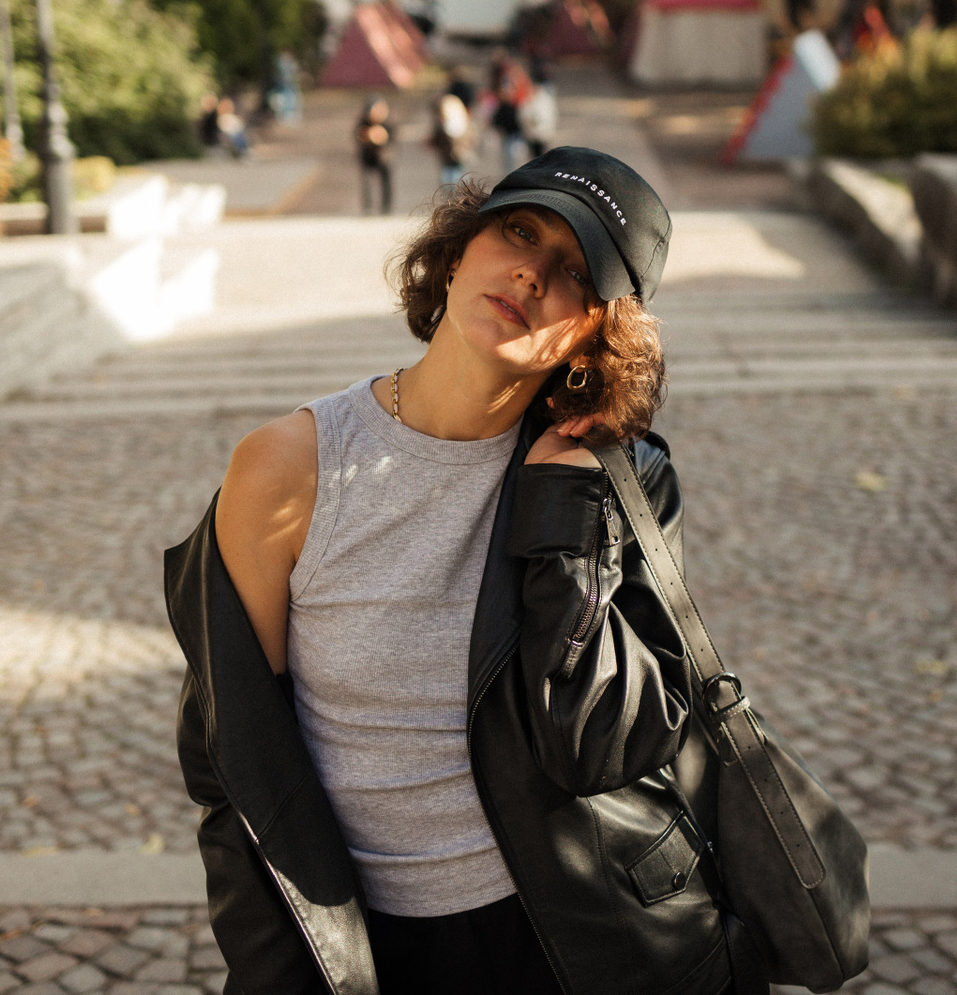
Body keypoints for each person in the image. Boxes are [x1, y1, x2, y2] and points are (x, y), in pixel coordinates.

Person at [166, 149, 748, 994]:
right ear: (457, 250)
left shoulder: (617, 481)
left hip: (573, 935)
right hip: (363, 943)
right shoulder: (286, 468)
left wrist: (562, 522)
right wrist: (275, 971)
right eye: (520, 232)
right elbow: (232, 758)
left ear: (596, 335)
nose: (532, 273)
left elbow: (609, 745)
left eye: (576, 273)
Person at [489, 50, 530, 169]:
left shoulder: (515, 79)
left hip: (515, 126)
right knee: (509, 157)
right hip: (508, 128)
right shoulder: (506, 78)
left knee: (514, 156)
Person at [356, 95, 394, 215]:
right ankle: (368, 206)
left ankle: (386, 207)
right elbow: (358, 136)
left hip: (383, 157)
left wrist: (381, 138)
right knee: (367, 182)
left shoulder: (387, 124)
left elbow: (391, 139)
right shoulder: (363, 123)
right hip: (367, 157)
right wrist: (368, 136)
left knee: (386, 181)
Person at [429, 87, 473, 187]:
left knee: (456, 179)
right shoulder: (443, 126)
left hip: (456, 156)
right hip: (449, 158)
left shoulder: (454, 124)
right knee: (451, 179)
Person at [521, 64, 558, 160]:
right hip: (532, 133)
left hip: (542, 132)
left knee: (541, 157)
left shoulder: (544, 99)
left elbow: (549, 115)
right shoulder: (530, 98)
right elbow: (524, 113)